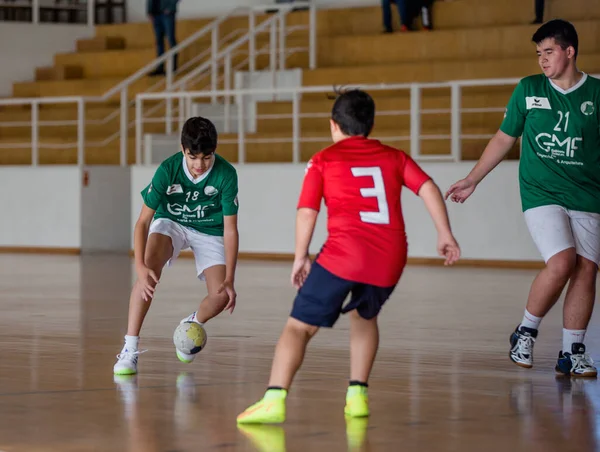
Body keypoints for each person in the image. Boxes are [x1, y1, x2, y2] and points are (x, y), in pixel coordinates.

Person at [236, 89, 461, 424]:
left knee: (298, 326)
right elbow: (427, 187)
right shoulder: (393, 156)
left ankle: (274, 398)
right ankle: (357, 396)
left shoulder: (323, 159)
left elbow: (307, 212)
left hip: (343, 255)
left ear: (333, 125)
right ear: (369, 124)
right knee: (365, 317)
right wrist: (444, 232)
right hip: (390, 257)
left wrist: (301, 256)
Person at [445, 19, 599, 377]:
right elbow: (503, 137)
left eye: (549, 52)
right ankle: (525, 331)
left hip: (588, 193)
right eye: (538, 54)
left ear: (569, 51)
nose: (542, 60)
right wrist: (473, 179)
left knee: (587, 269)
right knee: (562, 262)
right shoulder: (529, 89)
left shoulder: (596, 95)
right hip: (541, 191)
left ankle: (572, 351)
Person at [113, 116, 239, 375]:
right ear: (183, 150)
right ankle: (130, 348)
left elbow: (230, 230)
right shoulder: (168, 169)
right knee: (148, 272)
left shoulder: (226, 174)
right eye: (193, 157)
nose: (199, 165)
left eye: (206, 157)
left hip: (210, 230)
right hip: (172, 221)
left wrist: (231, 278)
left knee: (221, 295)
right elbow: (142, 223)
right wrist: (139, 266)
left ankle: (192, 324)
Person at [147, 0, 179, 76]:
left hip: (167, 14)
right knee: (159, 42)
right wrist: (149, 11)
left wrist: (170, 8)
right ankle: (160, 67)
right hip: (155, 14)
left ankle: (173, 67)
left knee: (171, 40)